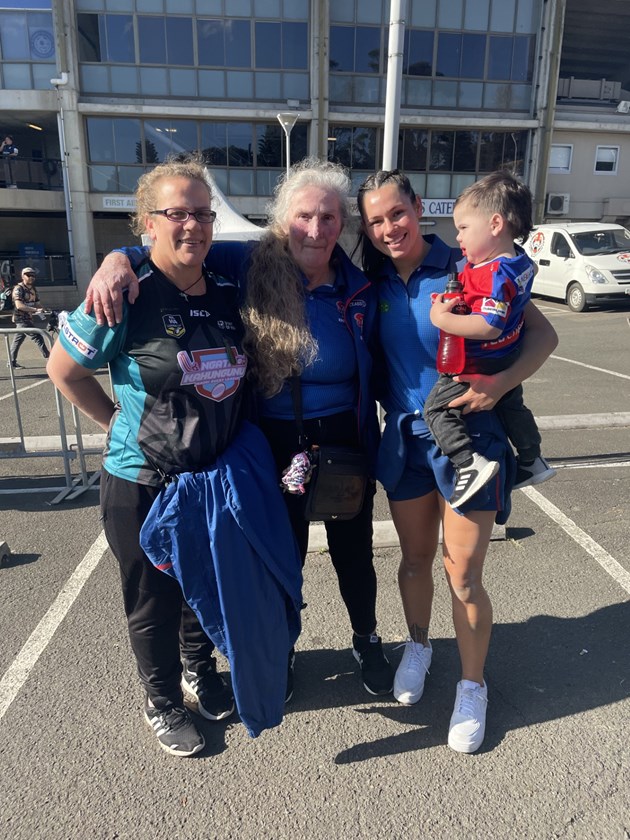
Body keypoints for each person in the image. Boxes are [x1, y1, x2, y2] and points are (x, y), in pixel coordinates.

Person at [85, 157, 393, 699]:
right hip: (270, 442)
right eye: (304, 216)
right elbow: (175, 249)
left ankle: (366, 639)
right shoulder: (251, 260)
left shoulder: (359, 288)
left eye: (328, 218)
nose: (315, 230)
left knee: (353, 550)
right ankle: (285, 646)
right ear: (282, 220)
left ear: (342, 223)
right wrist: (117, 259)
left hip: (343, 439)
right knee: (280, 553)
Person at [47, 156, 303, 757]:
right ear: (147, 220)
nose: (192, 225)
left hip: (209, 483)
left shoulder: (227, 288)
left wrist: (125, 252)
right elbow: (64, 371)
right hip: (141, 482)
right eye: (176, 213)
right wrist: (116, 424)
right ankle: (161, 700)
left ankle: (198, 669)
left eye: (202, 213)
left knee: (199, 584)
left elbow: (281, 247)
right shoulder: (122, 292)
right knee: (152, 599)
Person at [355, 169, 558, 753]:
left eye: (397, 213)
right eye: (375, 220)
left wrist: (498, 387)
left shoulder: (464, 262)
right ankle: (418, 646)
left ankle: (473, 685)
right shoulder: (369, 283)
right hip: (406, 441)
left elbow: (542, 337)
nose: (389, 228)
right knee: (416, 560)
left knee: (463, 574)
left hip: (470, 433)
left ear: (418, 208)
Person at [424, 171, 556, 508]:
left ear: (495, 224)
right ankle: (531, 458)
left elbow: (489, 325)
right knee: (512, 405)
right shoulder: (519, 263)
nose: (458, 237)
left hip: (480, 361)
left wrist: (442, 318)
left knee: (437, 410)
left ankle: (468, 462)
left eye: (464, 228)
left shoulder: (492, 273)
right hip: (507, 358)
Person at [8, 267, 50, 369]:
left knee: (18, 340)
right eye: (28, 275)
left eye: (33, 275)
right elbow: (19, 306)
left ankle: (11, 362)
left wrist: (45, 309)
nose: (31, 277)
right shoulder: (18, 289)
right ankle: (50, 358)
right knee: (37, 336)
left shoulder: (33, 289)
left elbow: (37, 304)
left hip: (28, 318)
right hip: (21, 318)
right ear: (23, 276)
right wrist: (35, 310)